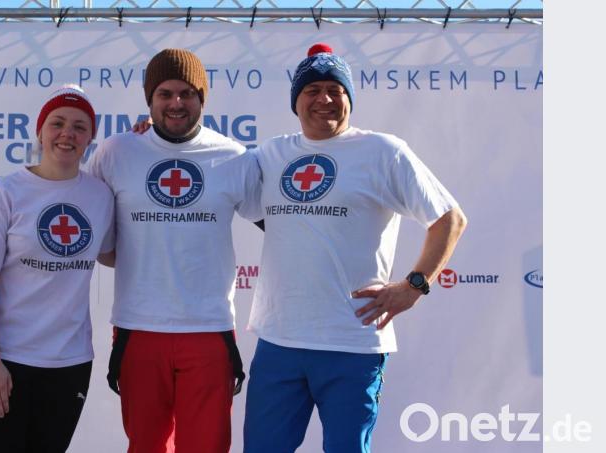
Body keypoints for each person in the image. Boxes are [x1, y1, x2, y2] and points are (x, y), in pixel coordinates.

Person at [242, 43, 468, 453]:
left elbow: (449, 219)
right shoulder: (270, 155)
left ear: (349, 98)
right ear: (296, 100)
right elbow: (203, 163)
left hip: (352, 343)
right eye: (312, 90)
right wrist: (150, 133)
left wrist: (415, 284)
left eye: (335, 89)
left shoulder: (383, 152)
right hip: (280, 342)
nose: (324, 99)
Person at [87, 48, 261, 453]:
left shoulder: (234, 157)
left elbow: (285, 223)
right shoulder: (116, 152)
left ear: (202, 98)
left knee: (207, 446)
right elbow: (90, 228)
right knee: (146, 445)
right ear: (150, 99)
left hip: (208, 328)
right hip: (138, 327)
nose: (176, 103)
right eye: (164, 93)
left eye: (187, 93)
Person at [0, 85, 114, 453]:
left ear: (91, 138)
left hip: (68, 363)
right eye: (57, 123)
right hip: (3, 361)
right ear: (40, 131)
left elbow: (111, 254)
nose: (67, 134)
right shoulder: (8, 192)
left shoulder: (100, 195)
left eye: (79, 127)